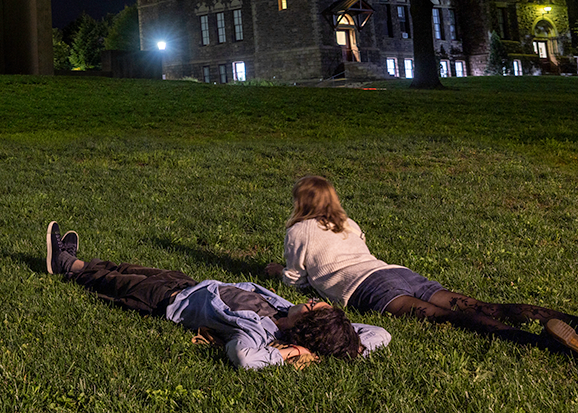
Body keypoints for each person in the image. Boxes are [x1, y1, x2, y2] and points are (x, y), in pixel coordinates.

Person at [268, 175, 578, 356]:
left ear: (301, 202)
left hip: (367, 288)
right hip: (396, 272)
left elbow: (297, 278)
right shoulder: (347, 222)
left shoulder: (298, 230)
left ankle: (544, 344)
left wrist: (278, 273)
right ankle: (570, 321)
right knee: (485, 305)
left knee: (452, 318)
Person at [45, 221, 391, 370]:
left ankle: (66, 264)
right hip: (190, 283)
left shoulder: (261, 334)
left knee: (113, 283)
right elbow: (380, 334)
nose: (315, 300)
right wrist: (347, 346)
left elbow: (243, 358)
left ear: (306, 325)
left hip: (167, 301)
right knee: (124, 267)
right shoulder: (284, 311)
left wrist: (299, 353)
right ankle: (80, 260)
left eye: (315, 306)